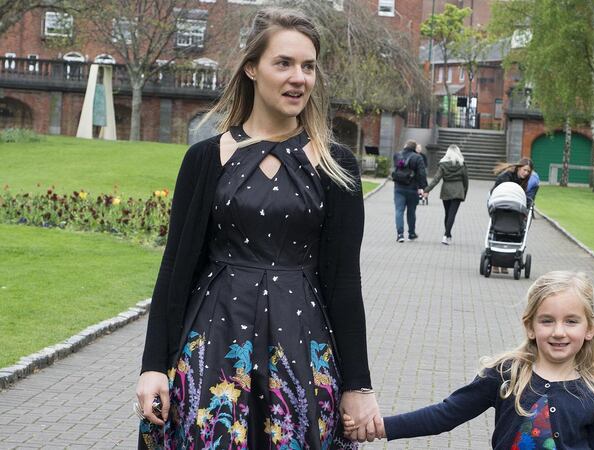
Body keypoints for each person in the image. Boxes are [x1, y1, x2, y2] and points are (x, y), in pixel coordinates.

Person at [135, 8, 380, 449]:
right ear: (252, 67)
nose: (299, 78)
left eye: (308, 66)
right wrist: (153, 365)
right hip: (215, 340)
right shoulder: (206, 159)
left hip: (302, 347)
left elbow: (345, 281)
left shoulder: (335, 165)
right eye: (283, 63)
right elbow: (175, 269)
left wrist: (358, 387)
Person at [345, 271, 594, 449]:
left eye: (572, 321)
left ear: (589, 329)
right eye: (547, 321)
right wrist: (383, 426)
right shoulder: (507, 374)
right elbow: (447, 414)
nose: (558, 332)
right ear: (530, 326)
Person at [491, 158, 534, 272]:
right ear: (519, 167)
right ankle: (495, 262)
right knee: (497, 231)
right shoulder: (506, 176)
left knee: (517, 231)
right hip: (501, 208)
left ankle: (506, 262)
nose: (526, 173)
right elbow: (496, 191)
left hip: (515, 212)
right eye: (525, 170)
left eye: (528, 171)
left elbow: (524, 196)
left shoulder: (523, 182)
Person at [423, 144, 469, 245]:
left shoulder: (443, 164)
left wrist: (427, 190)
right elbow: (466, 181)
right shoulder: (462, 164)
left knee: (447, 214)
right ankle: (446, 235)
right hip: (458, 191)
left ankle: (447, 234)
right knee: (452, 214)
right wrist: (464, 193)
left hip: (446, 190)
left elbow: (436, 179)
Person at [391, 139, 427, 242]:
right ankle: (411, 233)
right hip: (412, 188)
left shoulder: (397, 155)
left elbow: (396, 168)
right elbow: (422, 174)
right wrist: (423, 188)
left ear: (405, 146)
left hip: (398, 187)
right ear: (415, 148)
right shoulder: (418, 157)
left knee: (399, 211)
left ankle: (400, 234)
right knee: (411, 212)